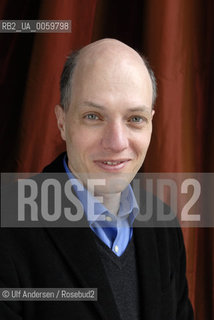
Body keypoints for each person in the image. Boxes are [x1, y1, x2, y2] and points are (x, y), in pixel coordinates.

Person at [0, 38, 194, 319]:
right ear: (62, 122)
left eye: (135, 119)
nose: (116, 143)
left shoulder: (163, 224)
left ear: (151, 122)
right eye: (93, 116)